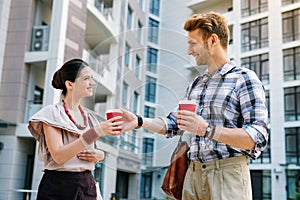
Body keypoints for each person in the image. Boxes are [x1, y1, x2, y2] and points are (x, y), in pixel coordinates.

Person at [121, 12, 268, 200]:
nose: (189, 51)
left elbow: (258, 136)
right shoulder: (196, 84)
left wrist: (207, 130)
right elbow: (174, 123)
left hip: (227, 175)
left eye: (192, 43)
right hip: (193, 175)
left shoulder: (244, 79)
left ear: (212, 40)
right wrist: (139, 121)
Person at [28, 59, 123, 200]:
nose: (92, 83)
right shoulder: (52, 113)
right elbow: (59, 156)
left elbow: (88, 151)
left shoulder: (89, 117)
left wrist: (100, 156)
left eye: (92, 78)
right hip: (59, 186)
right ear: (69, 84)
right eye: (86, 79)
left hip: (87, 185)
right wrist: (95, 132)